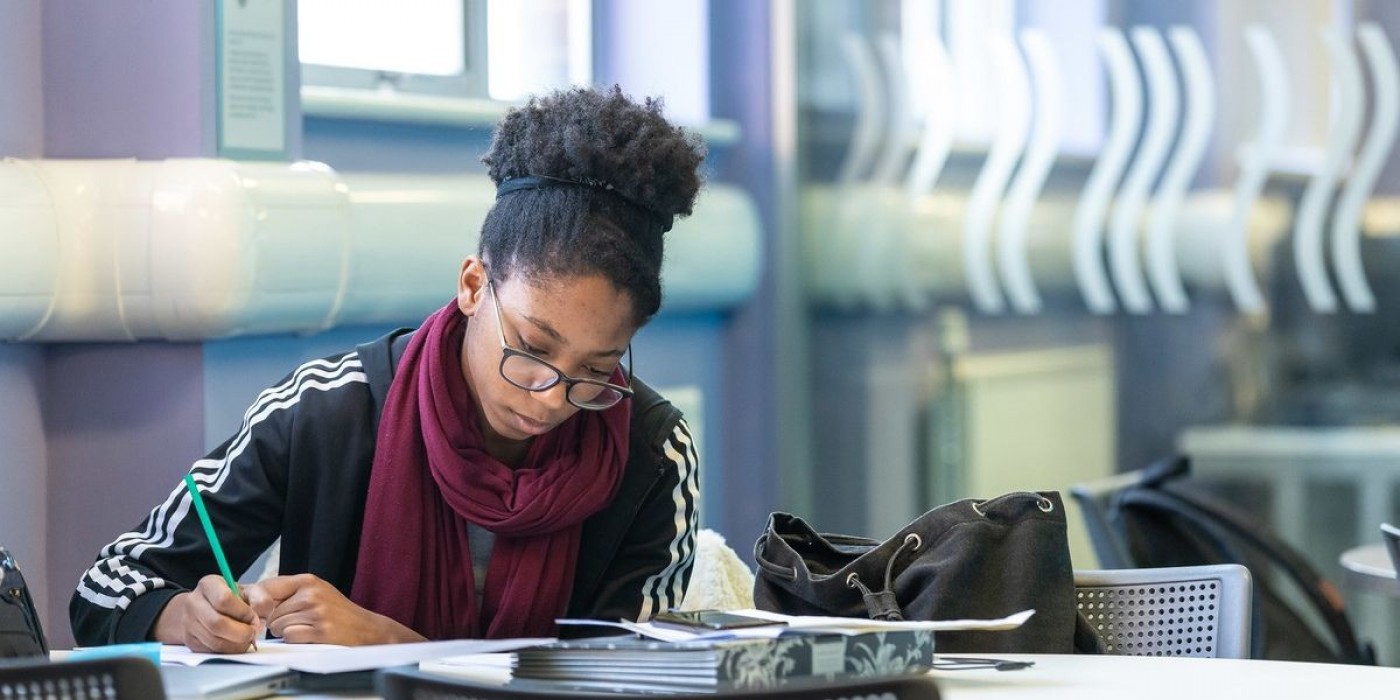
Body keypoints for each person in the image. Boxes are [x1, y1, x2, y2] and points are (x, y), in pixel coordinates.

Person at [70, 86, 705, 652]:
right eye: (533, 349)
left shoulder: (651, 452)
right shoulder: (326, 410)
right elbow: (106, 588)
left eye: (595, 370)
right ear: (474, 284)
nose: (549, 398)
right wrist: (182, 616)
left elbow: (634, 676)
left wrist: (399, 646)